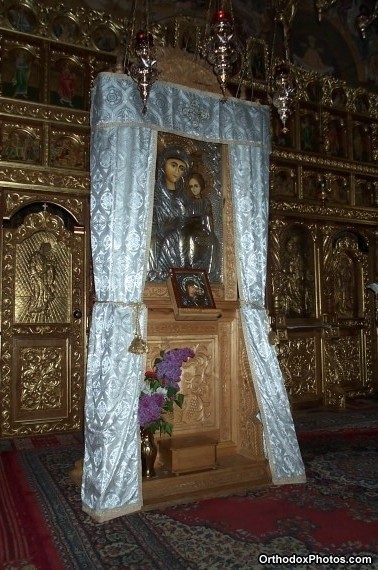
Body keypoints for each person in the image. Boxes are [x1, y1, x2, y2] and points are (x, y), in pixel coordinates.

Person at [147, 145, 190, 281]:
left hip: (179, 237)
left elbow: (186, 221)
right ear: (163, 165)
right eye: (173, 165)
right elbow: (148, 224)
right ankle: (153, 275)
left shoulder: (183, 197)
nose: (177, 171)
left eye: (181, 168)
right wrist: (162, 230)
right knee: (152, 241)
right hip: (158, 237)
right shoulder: (154, 194)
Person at [181, 171, 219, 278]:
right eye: (191, 186)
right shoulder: (188, 202)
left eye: (196, 186)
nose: (193, 189)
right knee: (189, 237)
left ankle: (209, 271)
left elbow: (208, 218)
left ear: (201, 186)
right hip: (189, 227)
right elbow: (184, 217)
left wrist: (210, 233)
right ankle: (188, 266)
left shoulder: (206, 202)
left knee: (214, 241)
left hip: (202, 227)